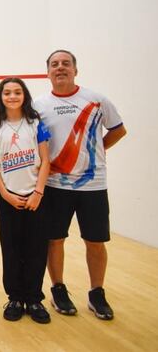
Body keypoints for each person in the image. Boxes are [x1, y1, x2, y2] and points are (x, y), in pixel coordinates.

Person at [35, 50, 126, 320]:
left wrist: (98, 152)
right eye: (55, 64)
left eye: (66, 64)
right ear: (47, 72)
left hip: (93, 185)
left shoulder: (96, 100)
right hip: (55, 185)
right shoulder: (39, 105)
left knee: (95, 241)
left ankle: (96, 293)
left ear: (76, 69)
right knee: (54, 239)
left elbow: (118, 129)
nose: (60, 68)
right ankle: (58, 289)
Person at [0, 78, 52, 324]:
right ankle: (14, 297)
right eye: (7, 93)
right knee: (11, 249)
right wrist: (4, 194)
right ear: (0, 98)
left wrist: (38, 193)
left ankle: (34, 298)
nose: (12, 96)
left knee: (36, 249)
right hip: (8, 198)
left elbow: (46, 161)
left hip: (36, 197)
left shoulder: (36, 125)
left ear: (25, 95)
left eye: (17, 92)